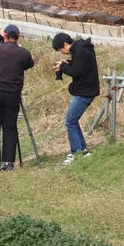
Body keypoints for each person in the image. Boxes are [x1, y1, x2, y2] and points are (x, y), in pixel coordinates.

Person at [0, 24, 35, 171]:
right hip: (12, 94)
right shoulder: (23, 52)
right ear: (18, 37)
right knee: (10, 127)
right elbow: (29, 64)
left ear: (4, 35)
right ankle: (9, 162)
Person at [52, 33, 98, 165]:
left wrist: (63, 67)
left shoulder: (79, 50)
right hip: (87, 90)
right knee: (73, 121)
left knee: (70, 122)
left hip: (84, 92)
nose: (63, 52)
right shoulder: (82, 48)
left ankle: (76, 152)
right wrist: (67, 63)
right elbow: (80, 66)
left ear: (65, 44)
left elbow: (77, 72)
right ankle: (82, 150)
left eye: (61, 50)